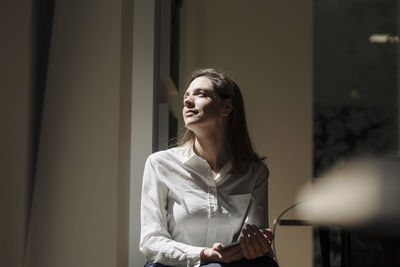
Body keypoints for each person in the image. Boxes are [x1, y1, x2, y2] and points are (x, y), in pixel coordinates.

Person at [139, 69, 278, 267]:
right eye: (186, 96)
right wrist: (205, 254)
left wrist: (257, 245)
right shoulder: (160, 164)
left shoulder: (255, 173)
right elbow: (150, 242)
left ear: (227, 107)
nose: (187, 101)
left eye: (200, 94)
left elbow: (249, 244)